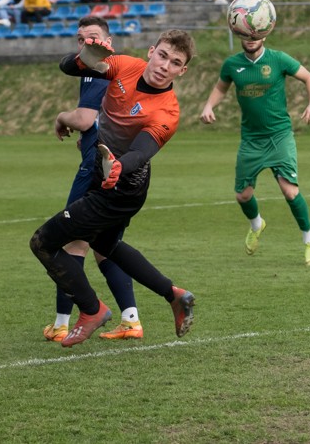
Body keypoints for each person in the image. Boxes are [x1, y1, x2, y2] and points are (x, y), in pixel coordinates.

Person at [30, 29, 198, 347]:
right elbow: (67, 67)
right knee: (105, 243)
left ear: (182, 70)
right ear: (151, 52)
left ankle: (91, 310)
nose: (165, 66)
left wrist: (120, 167)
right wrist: (86, 58)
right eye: (163, 55)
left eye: (175, 63)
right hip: (103, 169)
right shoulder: (124, 65)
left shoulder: (167, 111)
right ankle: (174, 294)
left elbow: (141, 153)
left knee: (43, 242)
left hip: (124, 185)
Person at [43, 17, 143, 343]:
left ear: (108, 42)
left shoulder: (98, 68)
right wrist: (89, 139)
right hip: (117, 164)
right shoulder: (121, 69)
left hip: (97, 167)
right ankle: (130, 320)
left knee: (69, 242)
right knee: (105, 246)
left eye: (94, 37)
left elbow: (85, 119)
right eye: (80, 38)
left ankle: (61, 323)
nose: (87, 43)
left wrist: (61, 117)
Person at [199, 34, 310, 266]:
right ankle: (256, 224)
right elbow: (221, 88)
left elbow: (309, 78)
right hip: (251, 140)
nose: (251, 39)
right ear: (239, 35)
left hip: (279, 136)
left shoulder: (278, 59)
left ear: (264, 34)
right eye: (246, 35)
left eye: (256, 34)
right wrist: (208, 106)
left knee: (290, 191)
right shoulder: (232, 64)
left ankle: (309, 239)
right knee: (243, 195)